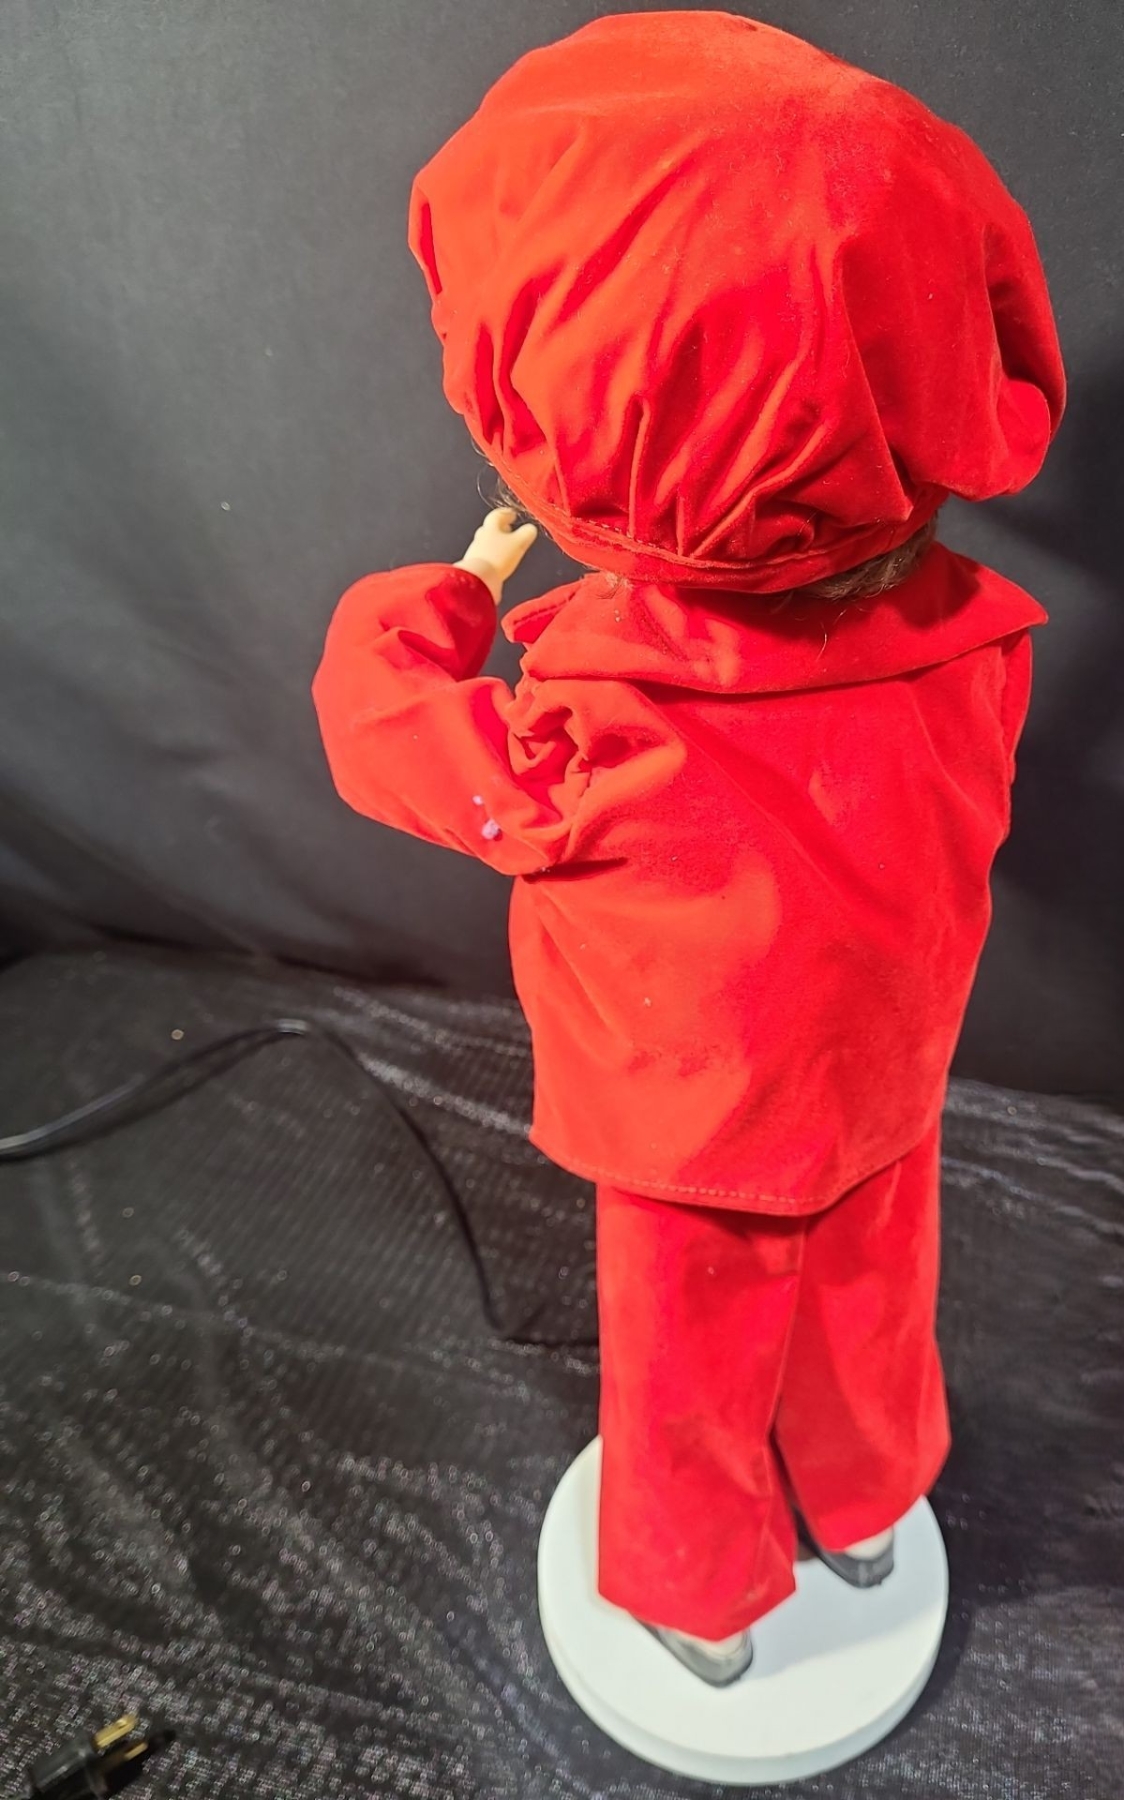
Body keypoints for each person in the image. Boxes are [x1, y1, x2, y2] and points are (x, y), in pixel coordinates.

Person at [313, 11, 1064, 1684]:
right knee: (872, 1298)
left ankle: (695, 1594)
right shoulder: (983, 644)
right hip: (887, 1074)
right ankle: (866, 1509)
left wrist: (450, 597)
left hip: (694, 1116)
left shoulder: (595, 722)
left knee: (690, 1353)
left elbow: (387, 731)